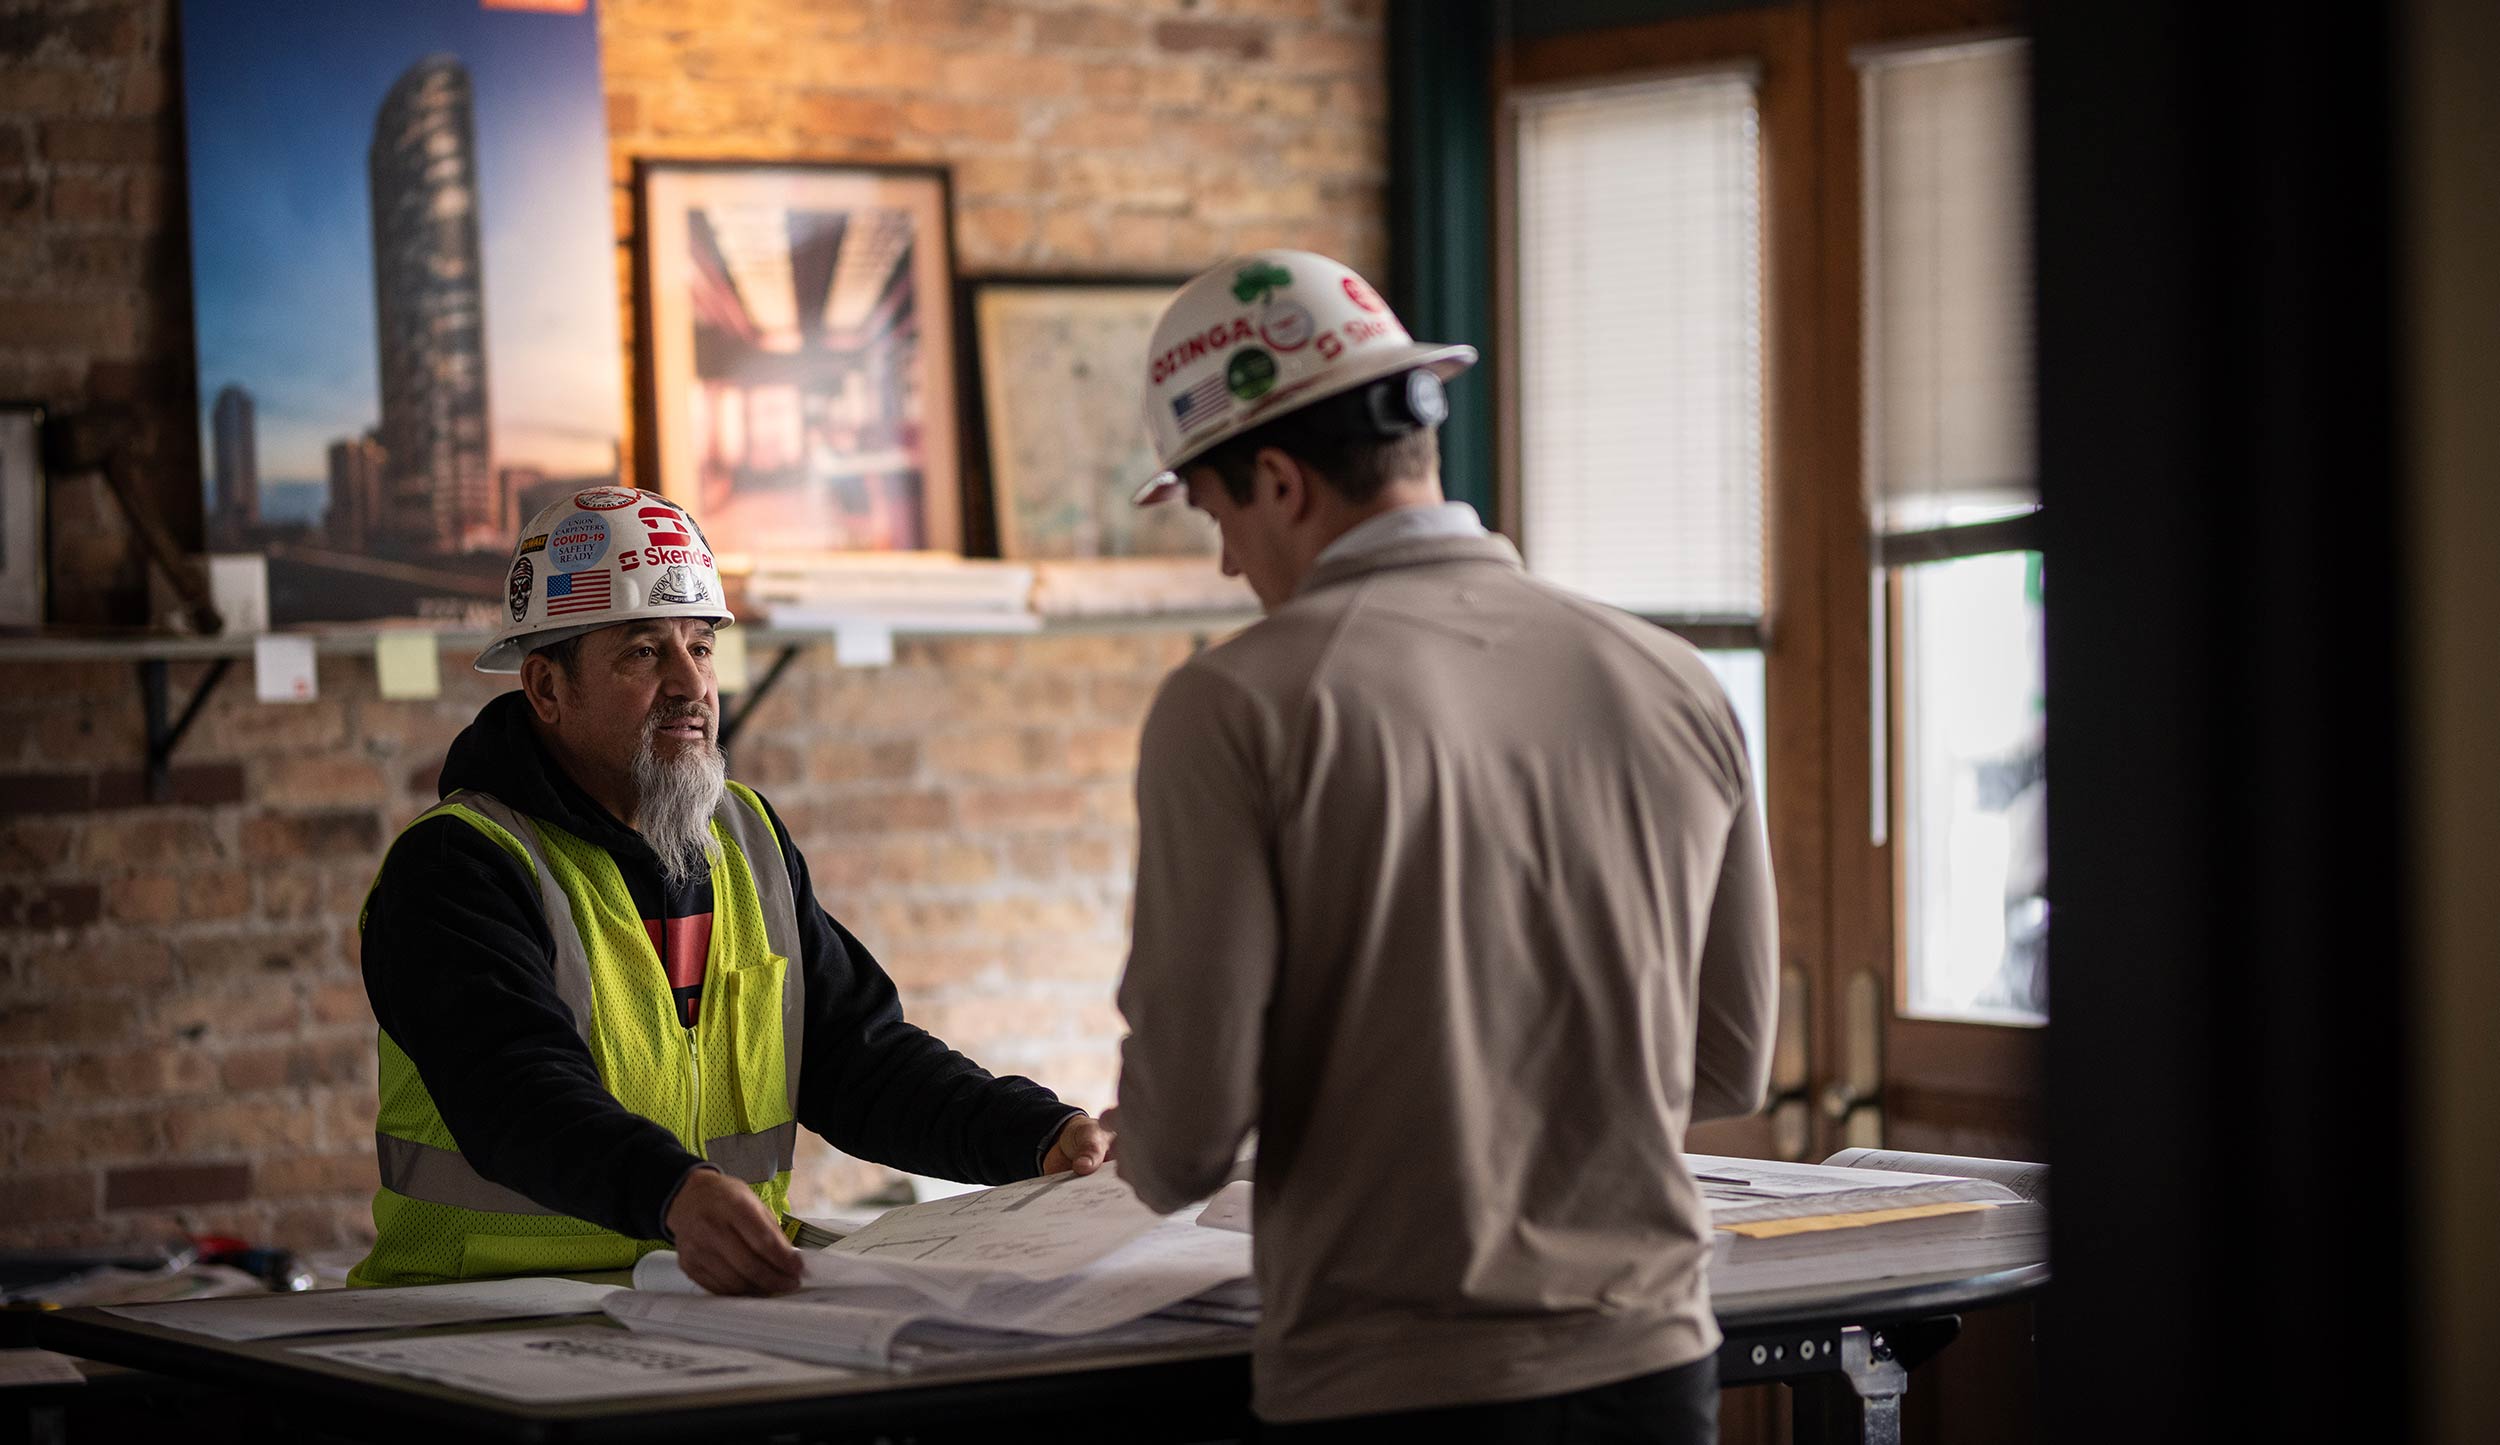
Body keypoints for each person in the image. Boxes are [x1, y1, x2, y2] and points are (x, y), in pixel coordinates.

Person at [1110, 252, 1780, 1439]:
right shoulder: (1673, 677)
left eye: (1215, 516)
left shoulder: (1237, 703)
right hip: (1657, 1366)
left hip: (1395, 1383)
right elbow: (1725, 1062)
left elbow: (1183, 1144)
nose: (1226, 562)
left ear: (1277, 480)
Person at [350, 487, 1111, 1293]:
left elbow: (859, 1060)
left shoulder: (744, 837)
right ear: (546, 688)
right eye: (645, 651)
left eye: (702, 646)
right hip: (487, 1316)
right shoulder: (457, 865)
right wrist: (674, 1193)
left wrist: (1038, 1133)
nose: (692, 685)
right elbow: (515, 1090)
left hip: (703, 1307)